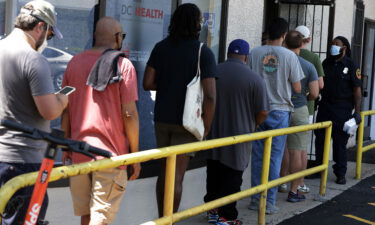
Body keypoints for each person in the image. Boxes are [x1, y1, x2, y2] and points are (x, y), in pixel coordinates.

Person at [61, 17, 140, 225]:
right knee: (100, 219)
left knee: (87, 216)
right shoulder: (124, 66)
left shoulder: (73, 63)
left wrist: (66, 147)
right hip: (110, 157)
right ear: (116, 38)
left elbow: (65, 110)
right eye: (122, 36)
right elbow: (129, 114)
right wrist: (135, 154)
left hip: (79, 153)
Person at [143, 3, 217, 216]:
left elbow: (147, 82)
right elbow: (210, 95)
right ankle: (169, 221)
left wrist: (168, 84)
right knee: (177, 177)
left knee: (165, 173)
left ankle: (161, 218)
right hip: (188, 122)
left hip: (162, 119)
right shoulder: (203, 51)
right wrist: (206, 128)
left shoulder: (161, 47)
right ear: (197, 24)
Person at [0, 1, 67, 224]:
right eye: (49, 33)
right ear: (39, 27)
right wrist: (62, 100)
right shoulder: (34, 60)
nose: (47, 39)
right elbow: (49, 111)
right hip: (22, 161)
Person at [204, 39, 268, 225]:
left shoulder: (214, 72)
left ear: (228, 53)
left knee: (214, 171)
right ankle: (227, 216)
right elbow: (263, 111)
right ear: (246, 57)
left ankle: (211, 211)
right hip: (239, 136)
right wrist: (254, 125)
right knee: (233, 175)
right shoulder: (254, 78)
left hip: (213, 133)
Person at [247, 17, 304, 214]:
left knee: (257, 156)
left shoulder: (254, 53)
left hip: (257, 109)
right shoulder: (290, 56)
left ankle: (256, 199)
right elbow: (297, 87)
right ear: (284, 35)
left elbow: (249, 80)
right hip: (280, 110)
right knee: (274, 158)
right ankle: (268, 202)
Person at [311, 36, 362, 185]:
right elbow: (319, 84)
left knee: (340, 142)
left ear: (344, 48)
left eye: (336, 44)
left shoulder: (352, 65)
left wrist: (357, 112)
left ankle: (340, 173)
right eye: (332, 44)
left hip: (343, 109)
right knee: (320, 139)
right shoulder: (326, 63)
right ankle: (319, 170)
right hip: (325, 106)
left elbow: (357, 90)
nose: (333, 46)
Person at [279, 31, 319, 202]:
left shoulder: (278, 62)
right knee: (298, 151)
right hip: (300, 108)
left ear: (285, 43)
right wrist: (305, 97)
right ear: (301, 44)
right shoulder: (308, 65)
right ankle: (294, 190)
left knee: (278, 149)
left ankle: (279, 184)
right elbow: (315, 93)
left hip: (279, 108)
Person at [291, 25, 325, 193]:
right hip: (305, 108)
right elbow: (319, 86)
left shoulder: (282, 56)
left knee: (282, 147)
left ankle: (281, 181)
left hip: (281, 108)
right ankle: (299, 183)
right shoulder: (312, 58)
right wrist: (308, 97)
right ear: (308, 39)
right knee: (301, 148)